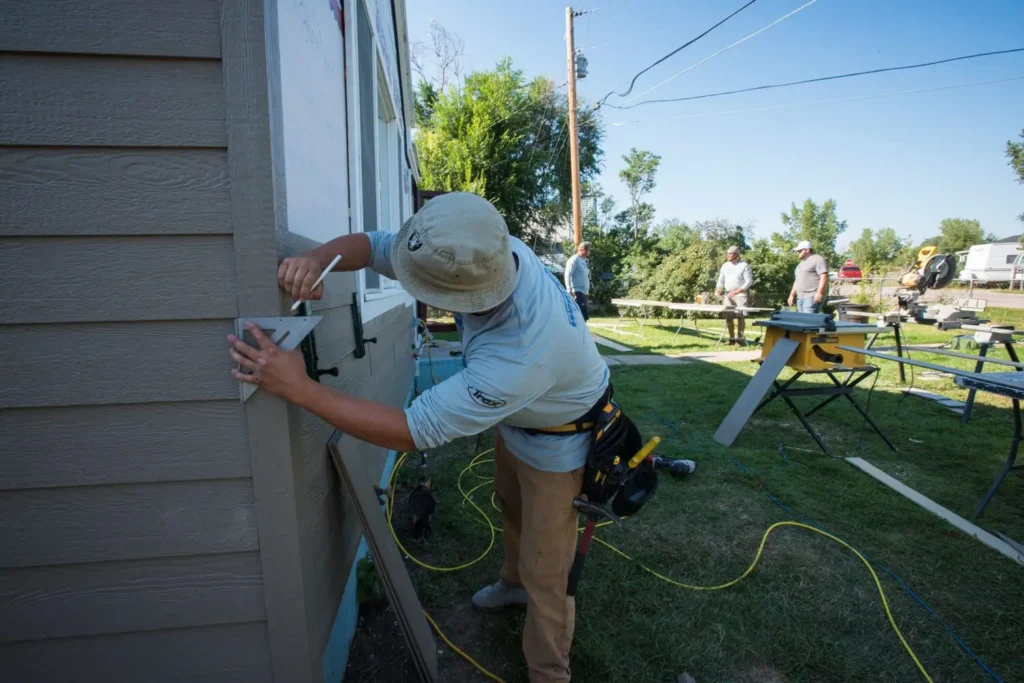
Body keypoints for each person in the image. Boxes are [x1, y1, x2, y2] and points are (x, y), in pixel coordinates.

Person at [226, 193, 611, 683]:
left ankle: (549, 671)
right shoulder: (479, 249)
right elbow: (372, 244)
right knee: (510, 504)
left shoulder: (521, 355)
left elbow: (411, 431)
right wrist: (317, 259)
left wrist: (299, 388)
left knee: (549, 568)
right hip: (526, 417)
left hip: (562, 437)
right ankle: (514, 584)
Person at [715, 245, 753, 344]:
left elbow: (749, 281)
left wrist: (737, 291)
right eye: (727, 253)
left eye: (730, 253)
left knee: (740, 316)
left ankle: (739, 340)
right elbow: (721, 279)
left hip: (740, 294)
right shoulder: (725, 266)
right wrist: (719, 288)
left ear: (737, 254)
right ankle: (731, 339)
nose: (728, 255)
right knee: (728, 316)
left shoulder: (744, 265)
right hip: (728, 295)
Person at [787, 240, 829, 313]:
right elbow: (797, 281)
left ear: (807, 250)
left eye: (800, 251)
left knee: (808, 321)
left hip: (811, 297)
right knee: (802, 322)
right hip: (800, 298)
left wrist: (819, 293)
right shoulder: (800, 265)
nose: (797, 253)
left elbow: (824, 276)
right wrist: (792, 295)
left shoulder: (817, 259)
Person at [564, 241, 591, 321]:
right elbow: (567, 274)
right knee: (580, 316)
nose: (590, 252)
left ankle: (582, 332)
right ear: (583, 250)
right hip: (576, 291)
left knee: (584, 316)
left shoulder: (583, 261)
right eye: (589, 250)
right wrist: (569, 289)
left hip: (583, 292)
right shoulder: (574, 260)